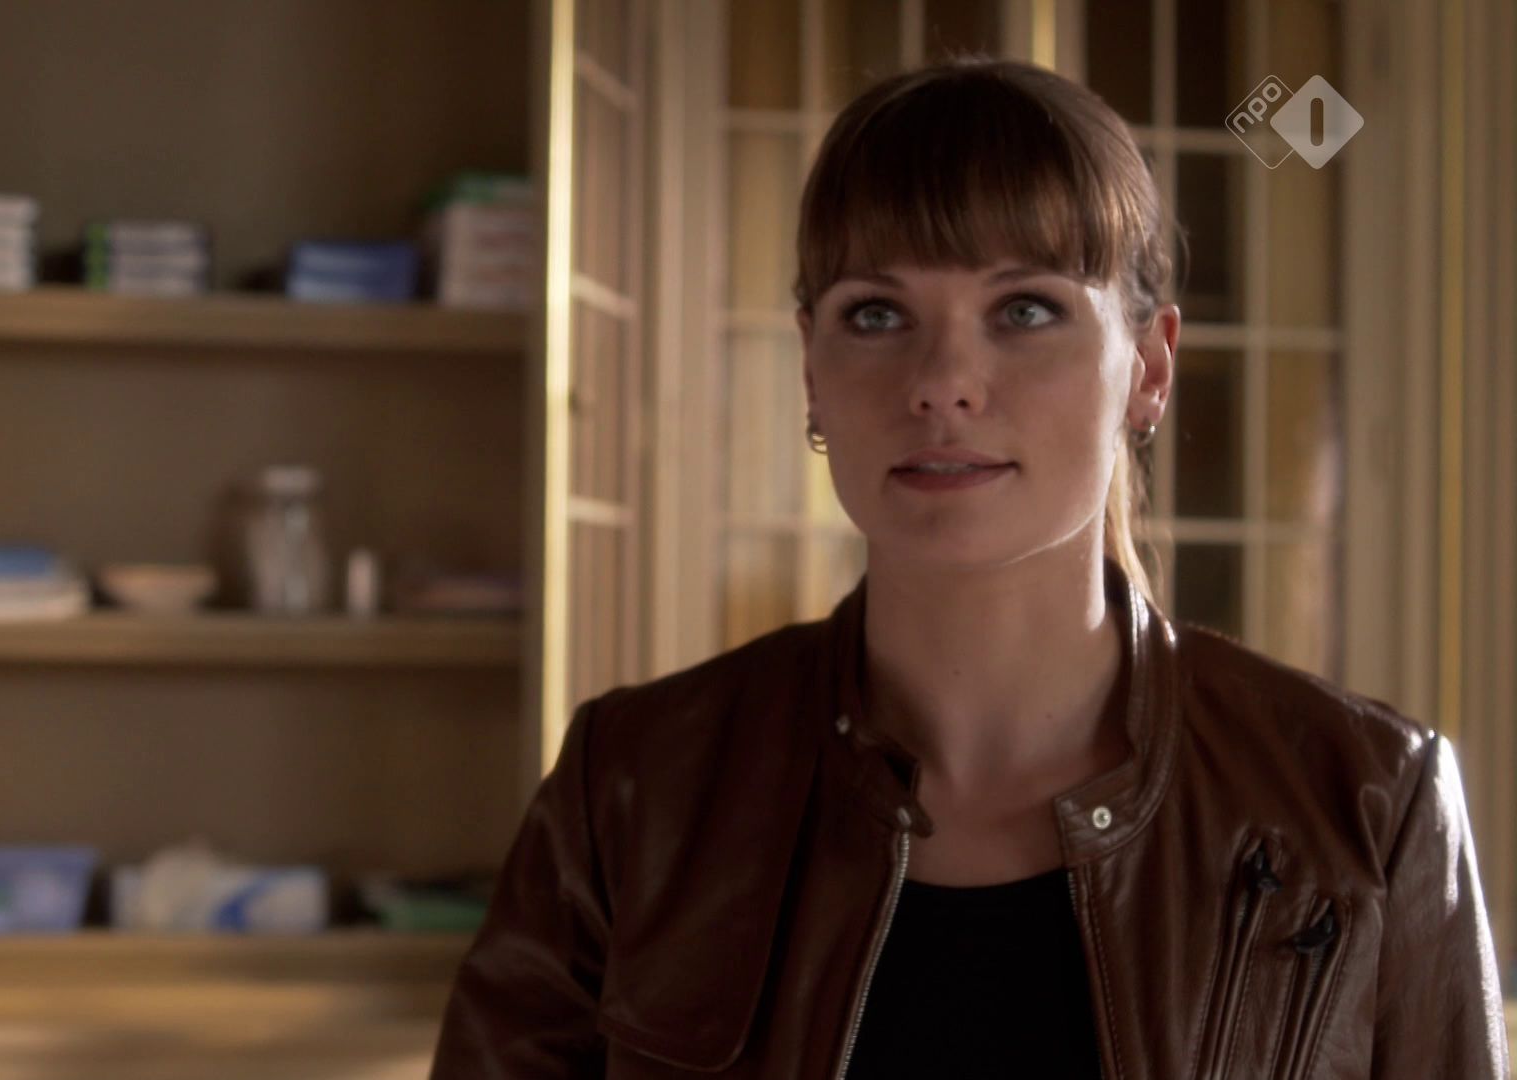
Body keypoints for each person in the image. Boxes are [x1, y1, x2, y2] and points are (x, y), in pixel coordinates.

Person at [428, 57, 1509, 1079]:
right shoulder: (633, 789)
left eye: (1025, 309)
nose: (942, 380)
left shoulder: (1368, 804)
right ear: (811, 369)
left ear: (1149, 367)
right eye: (877, 314)